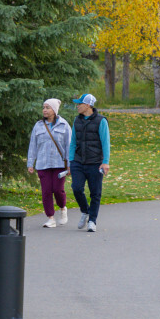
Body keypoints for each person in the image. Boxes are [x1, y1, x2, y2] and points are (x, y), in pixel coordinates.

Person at [26, 98, 71, 228]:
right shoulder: (38, 125)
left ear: (54, 110)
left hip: (59, 164)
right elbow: (33, 145)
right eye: (44, 107)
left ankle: (63, 208)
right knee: (46, 192)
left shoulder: (64, 125)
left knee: (58, 190)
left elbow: (69, 146)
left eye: (48, 107)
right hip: (43, 164)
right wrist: (30, 163)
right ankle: (50, 218)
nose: (44, 110)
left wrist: (70, 165)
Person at [69, 93, 110, 232]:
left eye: (79, 104)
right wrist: (71, 160)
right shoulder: (77, 120)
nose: (77, 106)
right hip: (78, 161)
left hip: (95, 162)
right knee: (76, 188)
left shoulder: (101, 121)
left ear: (87, 105)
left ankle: (92, 220)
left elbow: (106, 143)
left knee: (95, 193)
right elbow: (73, 142)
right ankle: (85, 211)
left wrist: (105, 162)